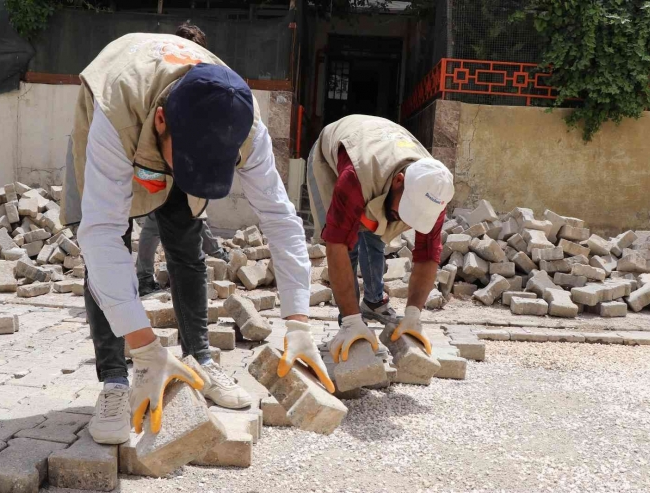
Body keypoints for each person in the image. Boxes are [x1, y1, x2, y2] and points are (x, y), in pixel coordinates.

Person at [60, 32, 334, 445]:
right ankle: (116, 382)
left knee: (187, 249)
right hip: (118, 124)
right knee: (108, 248)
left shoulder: (242, 121)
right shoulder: (117, 110)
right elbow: (101, 233)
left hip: (175, 128)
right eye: (192, 162)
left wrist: (298, 323)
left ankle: (200, 359)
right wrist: (146, 348)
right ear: (161, 122)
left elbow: (280, 218)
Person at [306, 115, 455, 363]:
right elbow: (337, 246)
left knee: (377, 233)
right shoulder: (355, 176)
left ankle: (373, 302)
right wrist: (353, 321)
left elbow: (428, 255)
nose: (404, 220)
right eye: (406, 209)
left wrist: (413, 315)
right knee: (347, 242)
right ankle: (351, 323)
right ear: (399, 181)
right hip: (334, 154)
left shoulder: (434, 190)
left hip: (382, 157)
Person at [135, 23, 228, 297]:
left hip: (179, 158)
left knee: (194, 208)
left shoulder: (196, 76)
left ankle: (210, 252)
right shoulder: (163, 76)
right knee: (155, 219)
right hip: (157, 156)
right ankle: (143, 278)